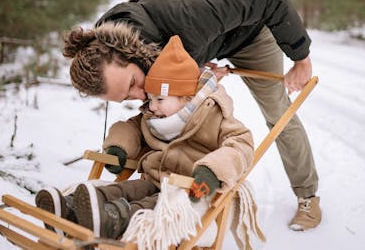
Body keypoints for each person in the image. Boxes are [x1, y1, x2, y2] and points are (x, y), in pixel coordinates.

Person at [63, 0, 321, 230]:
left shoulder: (186, 15)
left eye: (132, 84)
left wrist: (300, 57)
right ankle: (152, 190)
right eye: (126, 98)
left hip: (250, 26)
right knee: (166, 110)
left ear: (130, 53)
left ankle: (308, 195)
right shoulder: (104, 47)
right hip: (201, 36)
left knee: (277, 111)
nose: (140, 97)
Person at [36, 35, 254, 239]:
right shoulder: (152, 118)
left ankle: (113, 219)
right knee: (124, 189)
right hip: (154, 178)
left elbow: (240, 144)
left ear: (187, 97)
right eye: (150, 99)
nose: (152, 106)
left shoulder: (214, 116)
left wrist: (211, 171)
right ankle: (70, 208)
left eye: (160, 99)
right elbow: (129, 128)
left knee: (150, 205)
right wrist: (118, 148)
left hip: (186, 190)